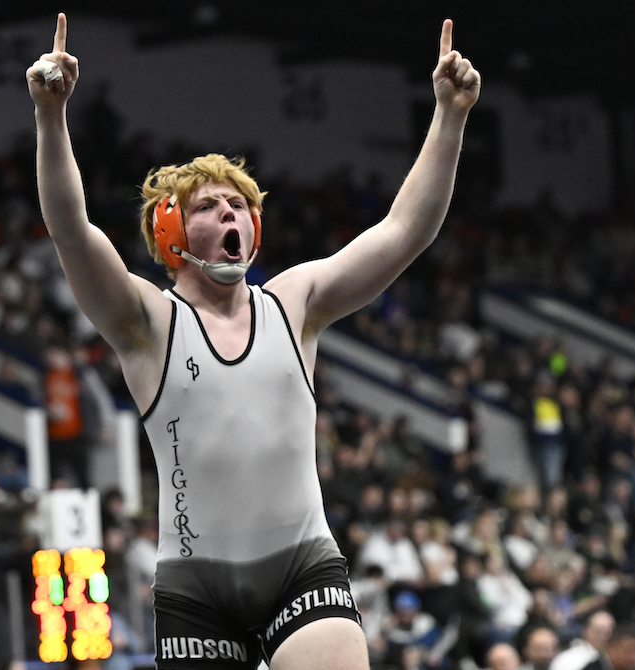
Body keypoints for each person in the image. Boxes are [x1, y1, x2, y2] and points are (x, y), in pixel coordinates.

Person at [27, 12, 480, 670]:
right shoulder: (146, 322)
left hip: (302, 568)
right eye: (211, 206)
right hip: (195, 588)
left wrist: (450, 115)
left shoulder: (295, 304)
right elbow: (71, 228)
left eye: (240, 206)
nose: (231, 214)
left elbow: (405, 229)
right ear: (172, 232)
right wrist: (50, 118)